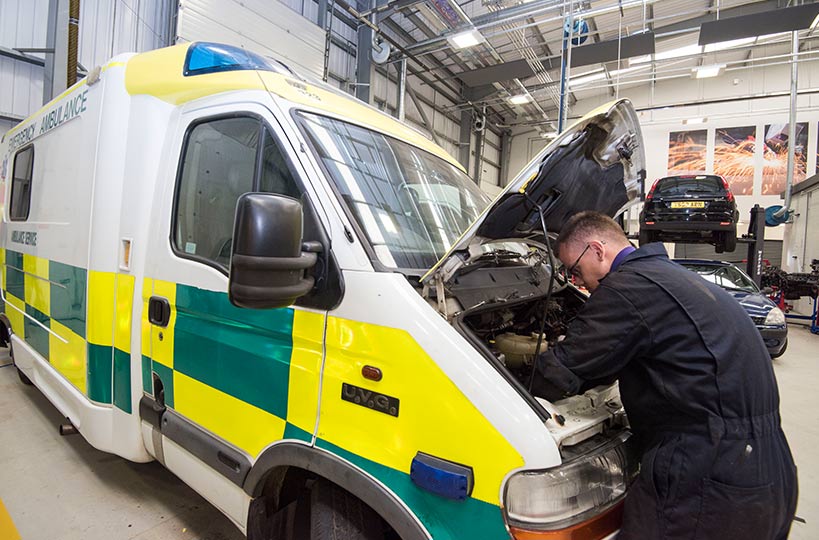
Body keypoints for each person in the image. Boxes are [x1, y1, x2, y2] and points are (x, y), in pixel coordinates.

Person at [531, 211, 797, 540]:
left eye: (575, 270)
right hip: (765, 466)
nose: (577, 282)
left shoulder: (628, 289)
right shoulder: (667, 276)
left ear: (597, 251)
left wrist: (512, 385)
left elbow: (559, 371)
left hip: (709, 478)